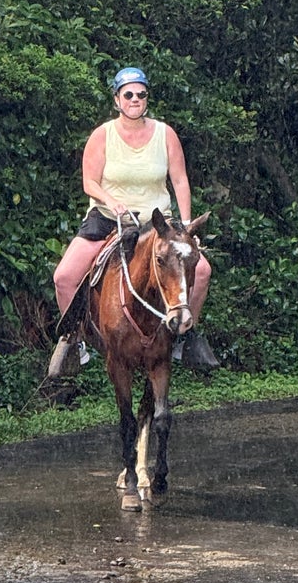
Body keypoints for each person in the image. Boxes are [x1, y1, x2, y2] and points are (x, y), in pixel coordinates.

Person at [48, 66, 217, 375]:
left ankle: (184, 335)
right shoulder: (103, 135)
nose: (135, 99)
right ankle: (75, 341)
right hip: (109, 218)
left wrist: (187, 225)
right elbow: (89, 182)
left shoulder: (165, 134)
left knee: (202, 270)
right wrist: (112, 202)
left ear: (147, 99)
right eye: (128, 94)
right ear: (117, 100)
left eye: (141, 94)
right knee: (64, 277)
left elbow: (179, 180)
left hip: (158, 223)